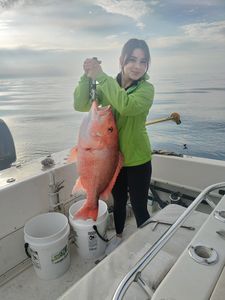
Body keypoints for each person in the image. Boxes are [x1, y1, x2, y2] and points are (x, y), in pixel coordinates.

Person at [73, 38, 154, 254]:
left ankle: (148, 245)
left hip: (138, 160)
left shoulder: (146, 90)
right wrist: (87, 76)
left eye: (143, 62)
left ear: (147, 66)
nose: (137, 66)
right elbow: (81, 104)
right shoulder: (108, 85)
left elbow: (125, 106)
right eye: (132, 59)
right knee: (118, 202)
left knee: (138, 205)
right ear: (121, 60)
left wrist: (101, 77)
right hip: (111, 161)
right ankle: (118, 236)